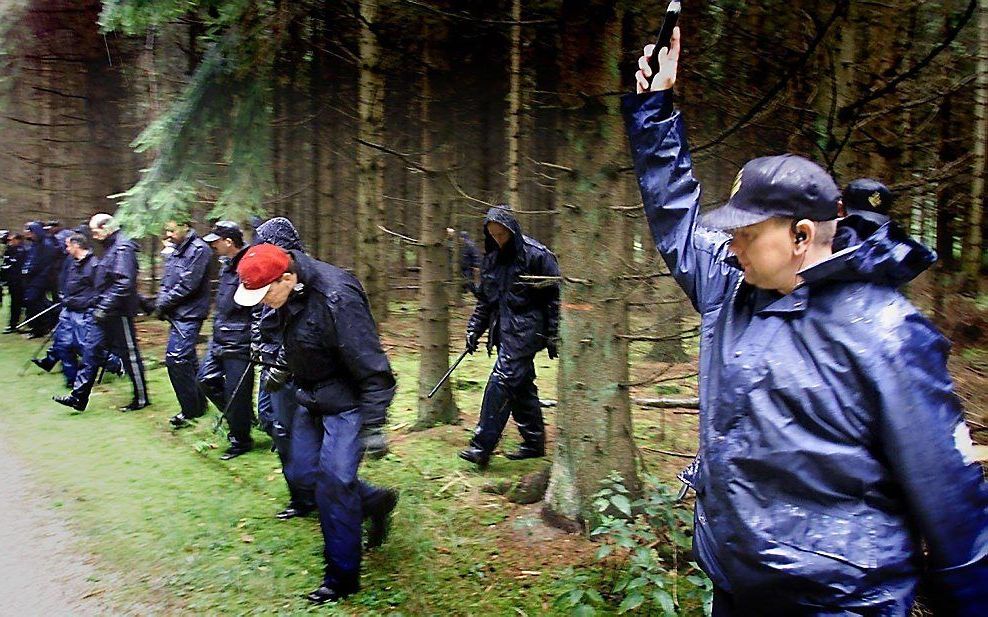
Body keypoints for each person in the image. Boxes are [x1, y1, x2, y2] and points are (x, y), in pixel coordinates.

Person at [625, 27, 988, 615]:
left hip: (841, 602)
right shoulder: (731, 287)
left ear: (799, 236)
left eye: (747, 231)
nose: (731, 242)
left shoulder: (887, 333)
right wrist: (653, 111)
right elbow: (676, 221)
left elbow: (951, 500)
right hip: (736, 589)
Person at [234, 243, 399, 604]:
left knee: (335, 483)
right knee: (303, 475)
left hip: (349, 401)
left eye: (265, 294)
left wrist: (373, 425)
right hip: (309, 397)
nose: (262, 302)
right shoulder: (282, 296)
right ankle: (376, 502)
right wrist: (280, 364)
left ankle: (341, 578)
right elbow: (293, 342)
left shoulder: (336, 298)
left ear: (288, 278)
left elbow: (374, 368)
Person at [459, 206, 560, 469]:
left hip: (528, 329)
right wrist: (474, 329)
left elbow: (554, 299)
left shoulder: (537, 256)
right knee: (521, 384)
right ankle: (534, 442)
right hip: (504, 329)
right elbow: (485, 301)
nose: (498, 239)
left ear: (512, 229)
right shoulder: (492, 259)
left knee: (502, 380)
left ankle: (482, 446)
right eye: (493, 234)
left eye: (502, 234)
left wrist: (553, 333)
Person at [251, 217, 317, 519]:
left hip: (292, 372)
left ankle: (307, 498)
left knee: (290, 432)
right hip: (269, 367)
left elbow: (302, 330)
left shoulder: (299, 280)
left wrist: (283, 362)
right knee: (273, 425)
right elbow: (260, 314)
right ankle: (302, 494)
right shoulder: (266, 272)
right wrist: (257, 344)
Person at [55, 213, 150, 411]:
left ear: (107, 227)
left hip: (119, 312)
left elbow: (124, 283)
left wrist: (104, 307)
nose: (93, 235)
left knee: (130, 356)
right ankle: (78, 397)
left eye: (95, 231)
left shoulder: (123, 247)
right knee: (90, 351)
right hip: (104, 311)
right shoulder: (110, 248)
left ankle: (141, 399)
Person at [192, 221, 254, 460]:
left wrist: (255, 338)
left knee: (237, 392)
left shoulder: (250, 265)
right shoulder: (227, 266)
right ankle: (242, 417)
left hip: (240, 340)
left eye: (216, 241)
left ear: (229, 242)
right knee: (205, 380)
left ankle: (241, 440)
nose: (213, 246)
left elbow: (258, 307)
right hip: (220, 335)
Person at [155, 220, 211, 423]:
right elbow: (167, 280)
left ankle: (190, 410)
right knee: (187, 360)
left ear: (185, 226)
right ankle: (198, 404)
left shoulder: (199, 250)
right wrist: (161, 302)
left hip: (190, 314)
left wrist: (164, 304)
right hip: (177, 313)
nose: (168, 234)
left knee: (176, 359)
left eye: (172, 230)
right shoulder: (175, 250)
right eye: (166, 230)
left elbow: (188, 284)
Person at [32, 234, 98, 388]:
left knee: (84, 346)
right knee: (63, 345)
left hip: (83, 311)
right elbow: (67, 281)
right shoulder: (73, 262)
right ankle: (71, 379)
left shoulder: (94, 265)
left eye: (68, 246)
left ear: (76, 245)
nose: (67, 249)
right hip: (68, 309)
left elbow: (98, 291)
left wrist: (86, 303)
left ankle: (116, 364)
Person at [20, 221, 58, 337]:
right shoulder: (34, 245)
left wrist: (32, 272)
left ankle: (42, 328)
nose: (28, 234)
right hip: (31, 279)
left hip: (41, 279)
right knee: (37, 303)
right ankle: (39, 327)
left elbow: (44, 264)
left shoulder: (46, 245)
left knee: (34, 302)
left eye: (30, 232)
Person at [1, 231, 26, 333]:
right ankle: (13, 324)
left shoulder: (21, 251)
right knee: (15, 304)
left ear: (18, 240)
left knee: (18, 304)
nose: (10, 242)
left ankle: (15, 324)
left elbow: (13, 265)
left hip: (19, 282)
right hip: (12, 282)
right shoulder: (10, 250)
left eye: (12, 240)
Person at [446, 227, 481, 297]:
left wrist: (476, 265)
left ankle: (476, 293)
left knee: (468, 281)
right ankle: (466, 292)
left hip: (468, 267)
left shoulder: (469, 245)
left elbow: (475, 255)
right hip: (464, 266)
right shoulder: (460, 245)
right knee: (464, 280)